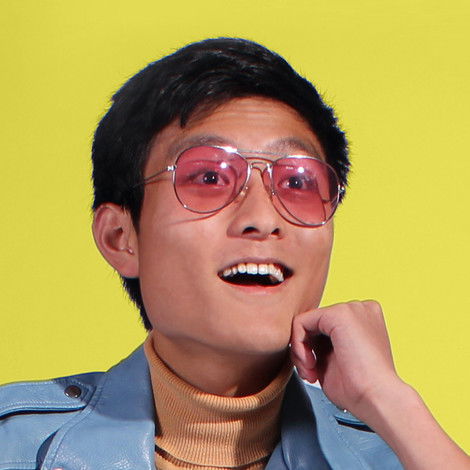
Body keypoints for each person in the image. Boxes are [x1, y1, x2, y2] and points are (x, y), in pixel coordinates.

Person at [0, 38, 468, 470]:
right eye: (209, 178)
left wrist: (391, 401)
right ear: (121, 238)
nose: (262, 218)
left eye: (297, 182)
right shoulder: (14, 446)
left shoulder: (401, 455)